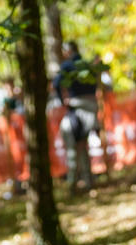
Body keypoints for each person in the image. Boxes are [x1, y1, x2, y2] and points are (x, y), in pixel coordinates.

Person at [55, 42, 102, 191]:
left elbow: (57, 83)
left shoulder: (67, 66)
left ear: (68, 51)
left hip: (75, 111)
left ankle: (72, 183)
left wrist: (63, 101)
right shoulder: (88, 66)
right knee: (83, 146)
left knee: (73, 148)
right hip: (90, 110)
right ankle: (87, 181)